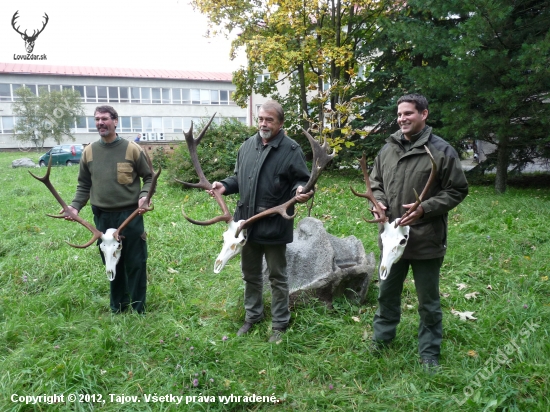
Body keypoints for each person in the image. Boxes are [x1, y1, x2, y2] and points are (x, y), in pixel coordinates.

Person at [368, 93, 468, 370]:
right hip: (391, 238)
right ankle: (382, 339)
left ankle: (429, 352)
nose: (402, 119)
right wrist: (380, 202)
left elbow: (457, 190)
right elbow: (376, 181)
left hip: (426, 239)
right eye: (399, 114)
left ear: (424, 114)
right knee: (387, 292)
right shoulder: (388, 148)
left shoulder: (442, 151)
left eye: (408, 113)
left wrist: (426, 208)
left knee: (428, 301)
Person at [210, 100, 312, 343]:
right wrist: (224, 185)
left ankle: (279, 323)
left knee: (277, 277)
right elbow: (239, 178)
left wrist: (301, 190)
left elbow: (304, 180)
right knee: (250, 274)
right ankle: (252, 316)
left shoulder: (291, 149)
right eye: (261, 119)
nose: (264, 124)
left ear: (280, 123)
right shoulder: (247, 146)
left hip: (275, 225)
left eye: (269, 120)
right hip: (246, 226)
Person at [67, 105, 153, 314]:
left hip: (130, 215)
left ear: (115, 121)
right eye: (97, 119)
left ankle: (138, 308)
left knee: (135, 262)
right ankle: (118, 306)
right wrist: (75, 206)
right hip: (103, 217)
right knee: (111, 261)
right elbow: (84, 185)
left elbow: (149, 177)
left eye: (104, 119)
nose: (100, 123)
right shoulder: (89, 151)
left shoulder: (132, 149)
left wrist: (144, 197)